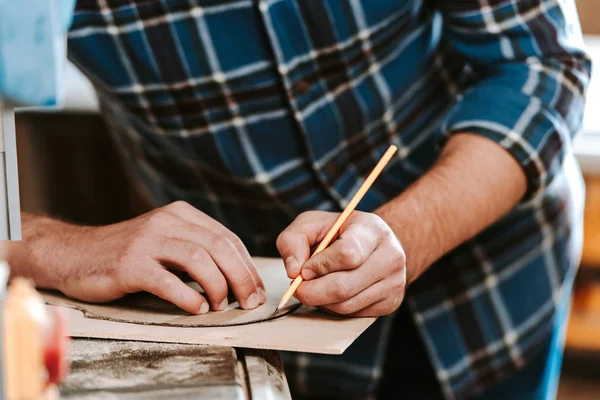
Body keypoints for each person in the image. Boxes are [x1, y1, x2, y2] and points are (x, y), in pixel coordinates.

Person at [6, 1, 590, 398]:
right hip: (248, 327)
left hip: (496, 283)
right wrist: (55, 245)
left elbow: (542, 63)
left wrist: (408, 231)